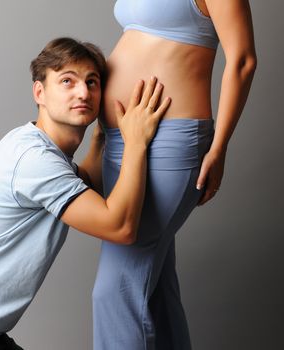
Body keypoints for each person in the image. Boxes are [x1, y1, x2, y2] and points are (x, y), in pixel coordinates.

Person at [0, 37, 171, 350]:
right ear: (39, 92)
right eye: (67, 81)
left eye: (92, 82)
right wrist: (136, 142)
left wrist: (103, 137)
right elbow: (120, 227)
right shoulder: (34, 159)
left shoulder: (41, 149)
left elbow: (81, 183)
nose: (83, 92)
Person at [92, 1, 257, 349]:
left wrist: (219, 147)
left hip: (168, 139)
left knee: (116, 292)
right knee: (156, 294)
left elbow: (242, 60)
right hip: (122, 137)